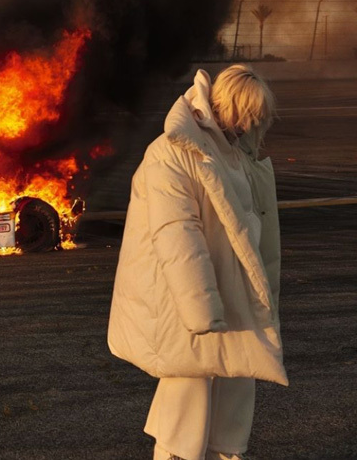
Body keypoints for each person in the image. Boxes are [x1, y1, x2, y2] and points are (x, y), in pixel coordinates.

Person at [107, 64, 286, 460]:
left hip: (231, 290)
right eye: (244, 117)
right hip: (185, 300)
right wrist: (202, 308)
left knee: (236, 384)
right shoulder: (172, 152)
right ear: (224, 106)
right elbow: (176, 233)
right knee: (188, 395)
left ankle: (225, 454)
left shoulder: (234, 153)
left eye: (254, 120)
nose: (246, 128)